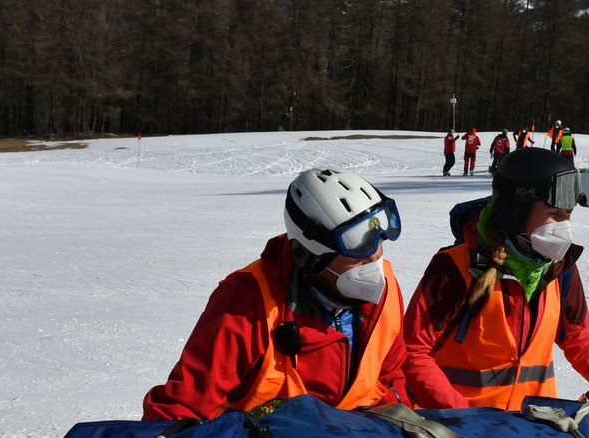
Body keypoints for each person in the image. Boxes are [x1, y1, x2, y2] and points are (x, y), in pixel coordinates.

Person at [402, 148, 589, 417]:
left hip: (531, 431)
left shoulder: (561, 269)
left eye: (567, 214)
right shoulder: (455, 268)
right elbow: (412, 352)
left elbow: (581, 344)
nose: (563, 225)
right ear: (516, 213)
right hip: (459, 432)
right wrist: (465, 416)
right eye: (553, 214)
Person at [143, 168, 408, 421]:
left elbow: (390, 377)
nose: (375, 256)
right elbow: (184, 406)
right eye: (357, 245)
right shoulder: (246, 301)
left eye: (379, 236)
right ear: (313, 256)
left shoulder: (384, 291)